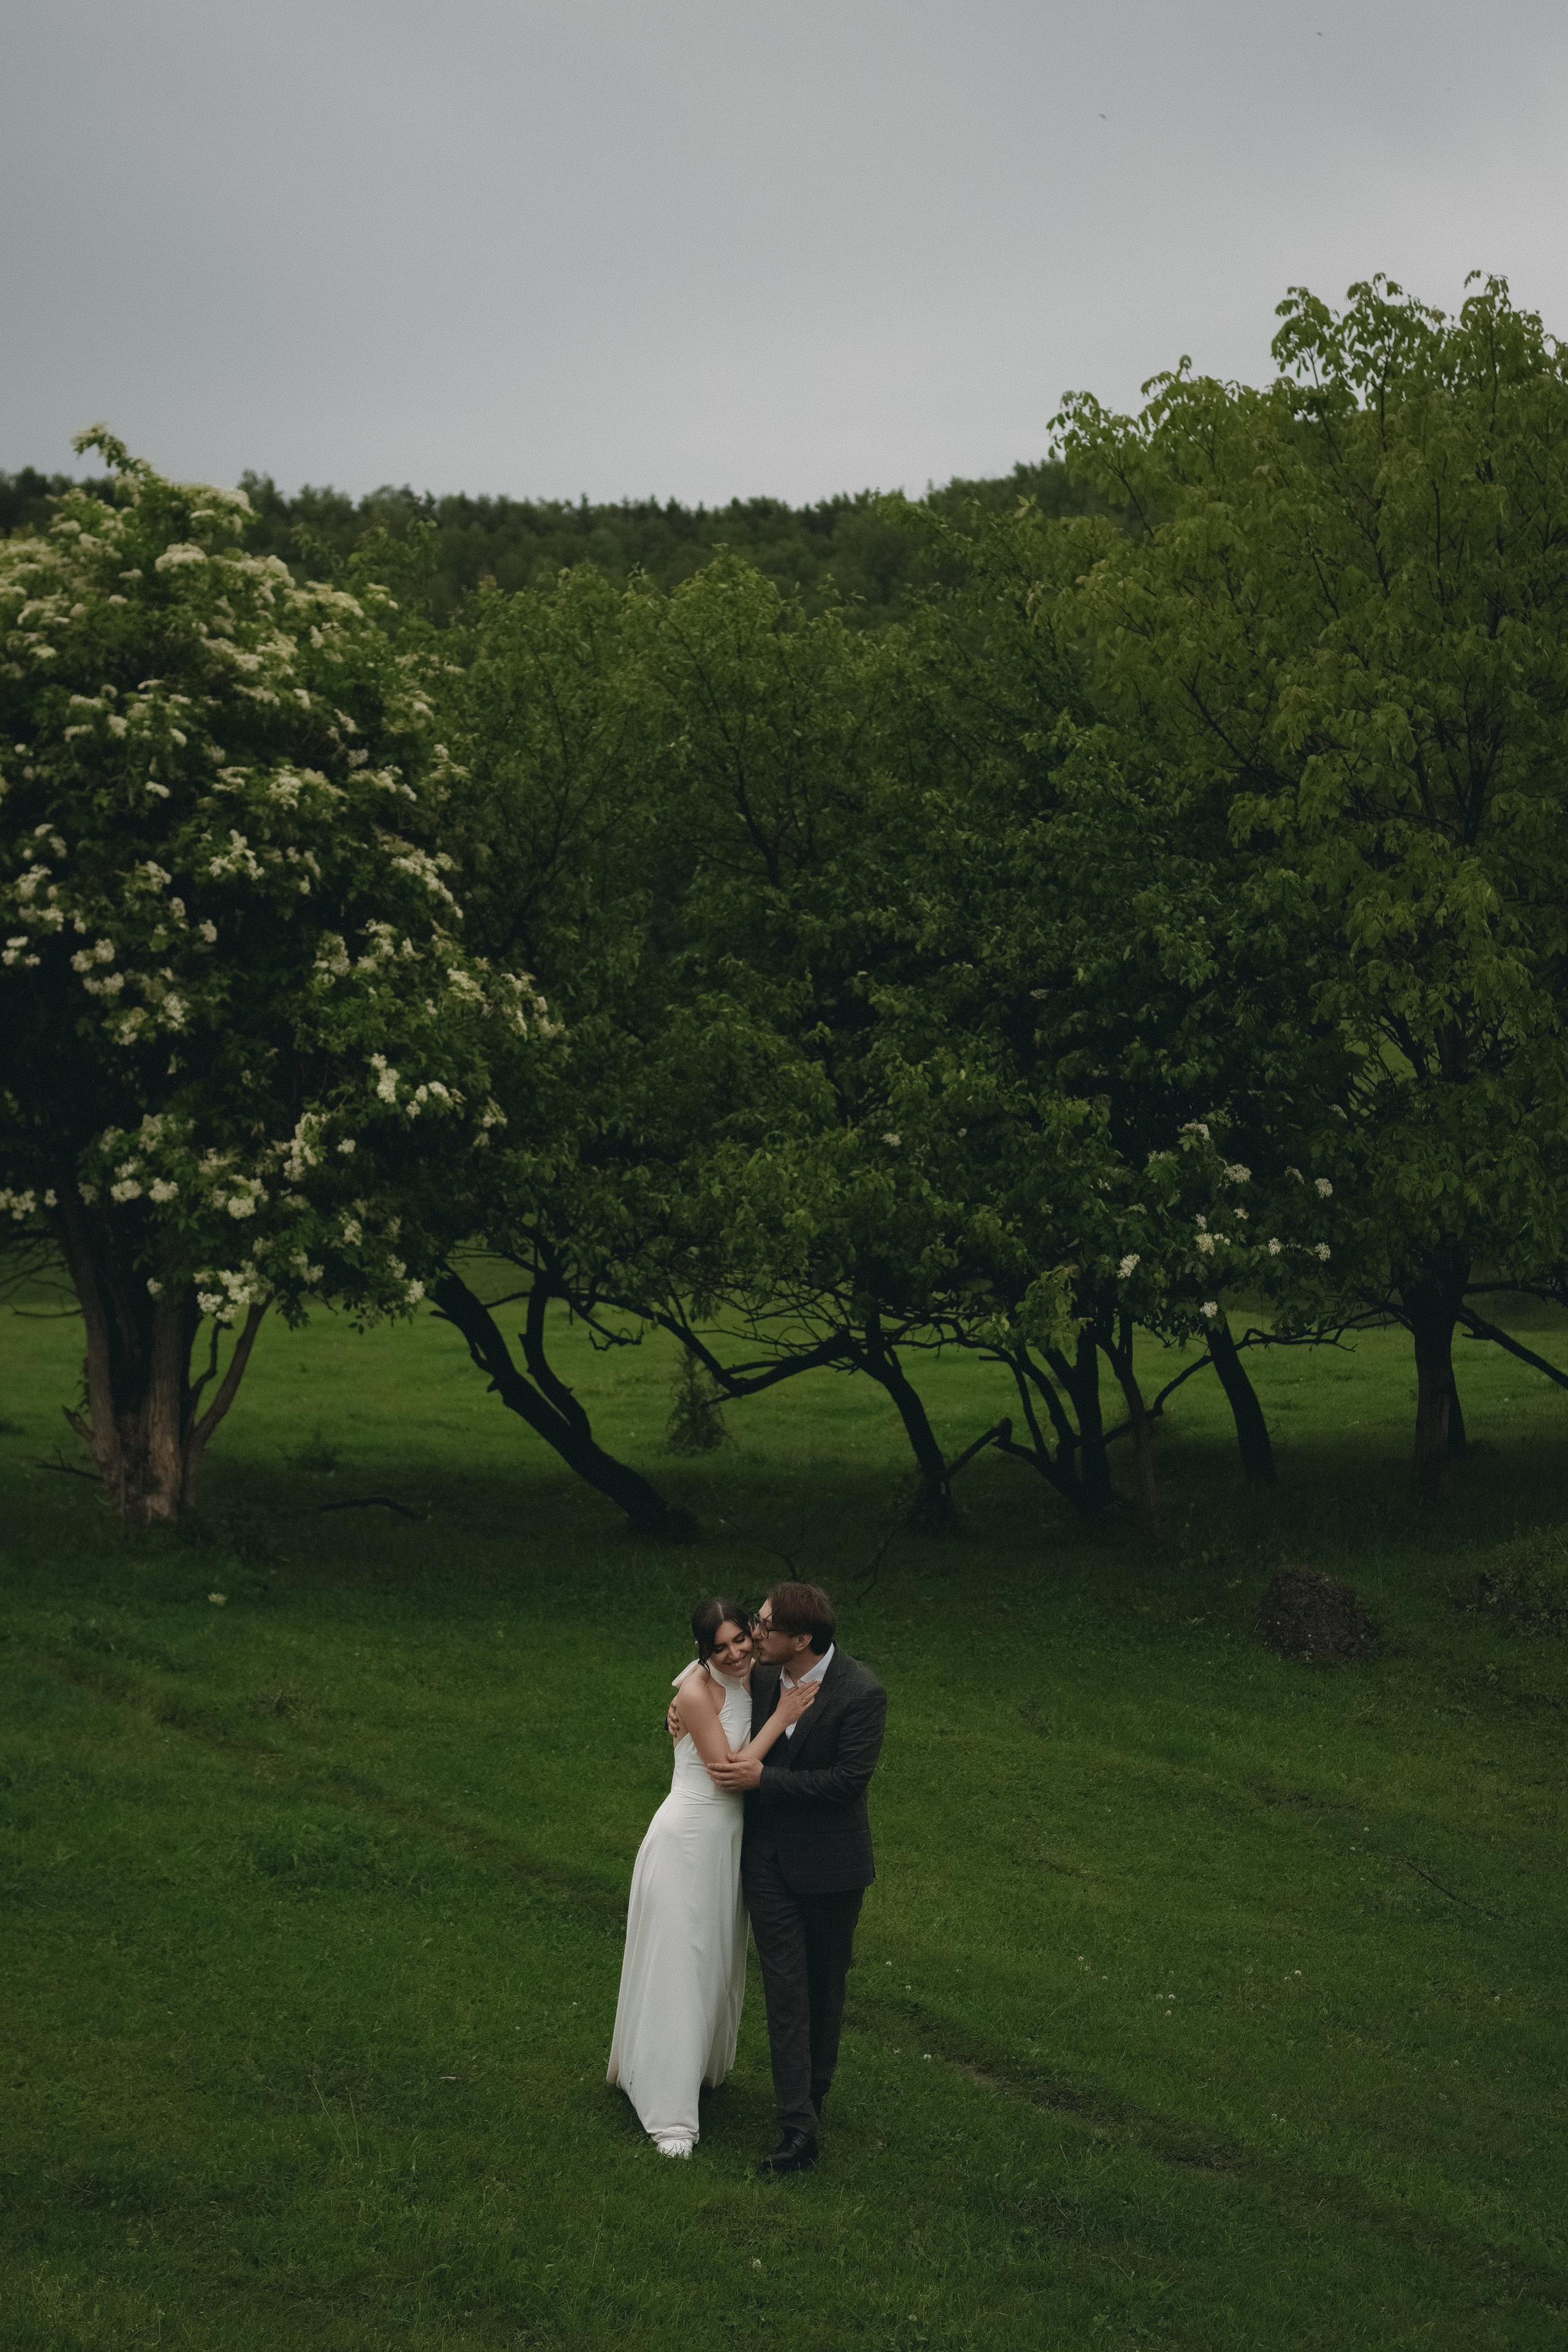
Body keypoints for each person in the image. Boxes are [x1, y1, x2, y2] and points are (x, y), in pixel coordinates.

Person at [607, 1596, 820, 2158]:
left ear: (754, 1634)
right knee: (680, 1961)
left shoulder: (761, 1673)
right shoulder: (696, 1693)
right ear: (703, 1652)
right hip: (688, 1837)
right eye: (718, 1648)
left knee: (714, 1960)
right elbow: (727, 1774)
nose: (733, 1656)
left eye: (740, 1641)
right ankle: (668, 2109)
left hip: (729, 1845)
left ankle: (692, 2066)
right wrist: (781, 1719)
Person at [703, 1581, 887, 2177]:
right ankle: (796, 2130)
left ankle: (814, 2093)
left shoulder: (860, 1693)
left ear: (801, 1639)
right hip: (768, 1863)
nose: (752, 1636)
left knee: (822, 1989)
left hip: (833, 1869)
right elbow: (708, 1675)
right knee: (785, 1991)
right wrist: (679, 1707)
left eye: (764, 1627)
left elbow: (845, 1784)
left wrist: (765, 1783)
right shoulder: (756, 1676)